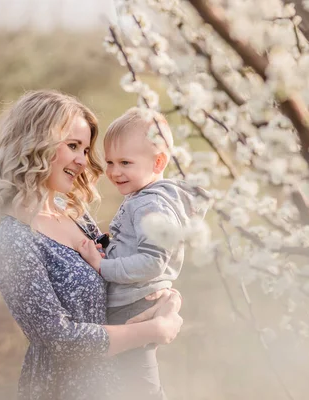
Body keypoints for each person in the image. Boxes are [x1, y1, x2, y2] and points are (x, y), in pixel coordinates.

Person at [0, 90, 183, 400]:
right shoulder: (13, 237)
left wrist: (168, 299)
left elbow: (123, 266)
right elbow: (60, 340)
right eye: (73, 146)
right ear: (35, 143)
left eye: (85, 149)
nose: (83, 161)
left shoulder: (74, 215)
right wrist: (153, 331)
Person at [76, 107, 207, 400]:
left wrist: (101, 265)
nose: (113, 171)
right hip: (133, 300)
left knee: (138, 383)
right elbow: (138, 247)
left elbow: (152, 261)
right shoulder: (146, 198)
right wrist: (108, 250)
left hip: (132, 306)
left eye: (125, 162)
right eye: (109, 161)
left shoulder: (150, 206)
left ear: (158, 162)